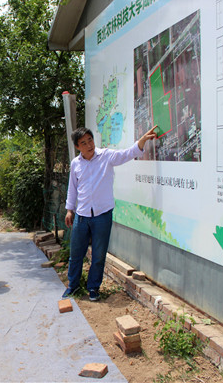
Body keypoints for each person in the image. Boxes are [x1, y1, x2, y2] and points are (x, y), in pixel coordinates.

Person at [63, 125, 158, 301]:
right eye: (84, 143)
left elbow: (127, 154)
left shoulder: (106, 156)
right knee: (76, 254)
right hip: (82, 216)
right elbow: (72, 189)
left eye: (90, 140)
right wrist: (70, 210)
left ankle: (93, 288)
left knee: (99, 255)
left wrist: (142, 141)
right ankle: (73, 286)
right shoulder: (76, 163)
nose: (89, 145)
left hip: (102, 215)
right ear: (78, 147)